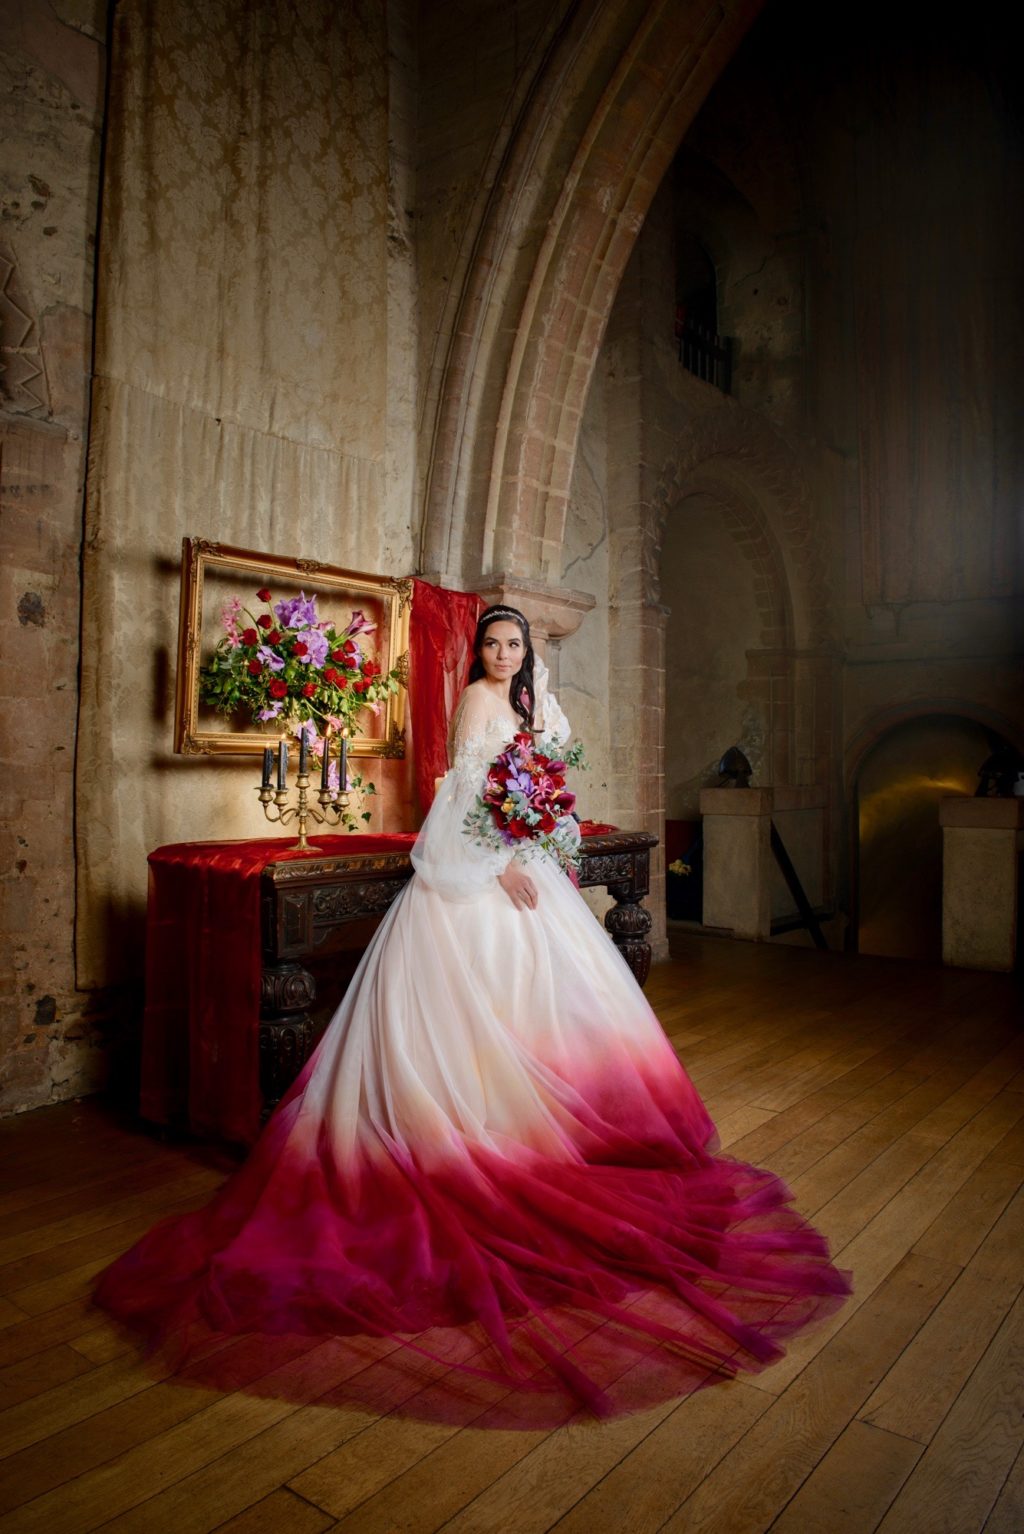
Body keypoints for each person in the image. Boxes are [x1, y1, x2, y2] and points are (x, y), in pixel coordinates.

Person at [96, 604, 849, 1423]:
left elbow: (538, 788)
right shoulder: (479, 707)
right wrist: (500, 869)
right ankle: (477, 1145)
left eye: (512, 644)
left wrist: (534, 841)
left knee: (555, 1014)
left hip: (524, 864)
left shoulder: (527, 701)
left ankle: (549, 1138)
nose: (499, 654)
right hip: (472, 881)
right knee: (476, 1014)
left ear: (527, 651)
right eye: (489, 643)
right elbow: (457, 804)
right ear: (478, 655)